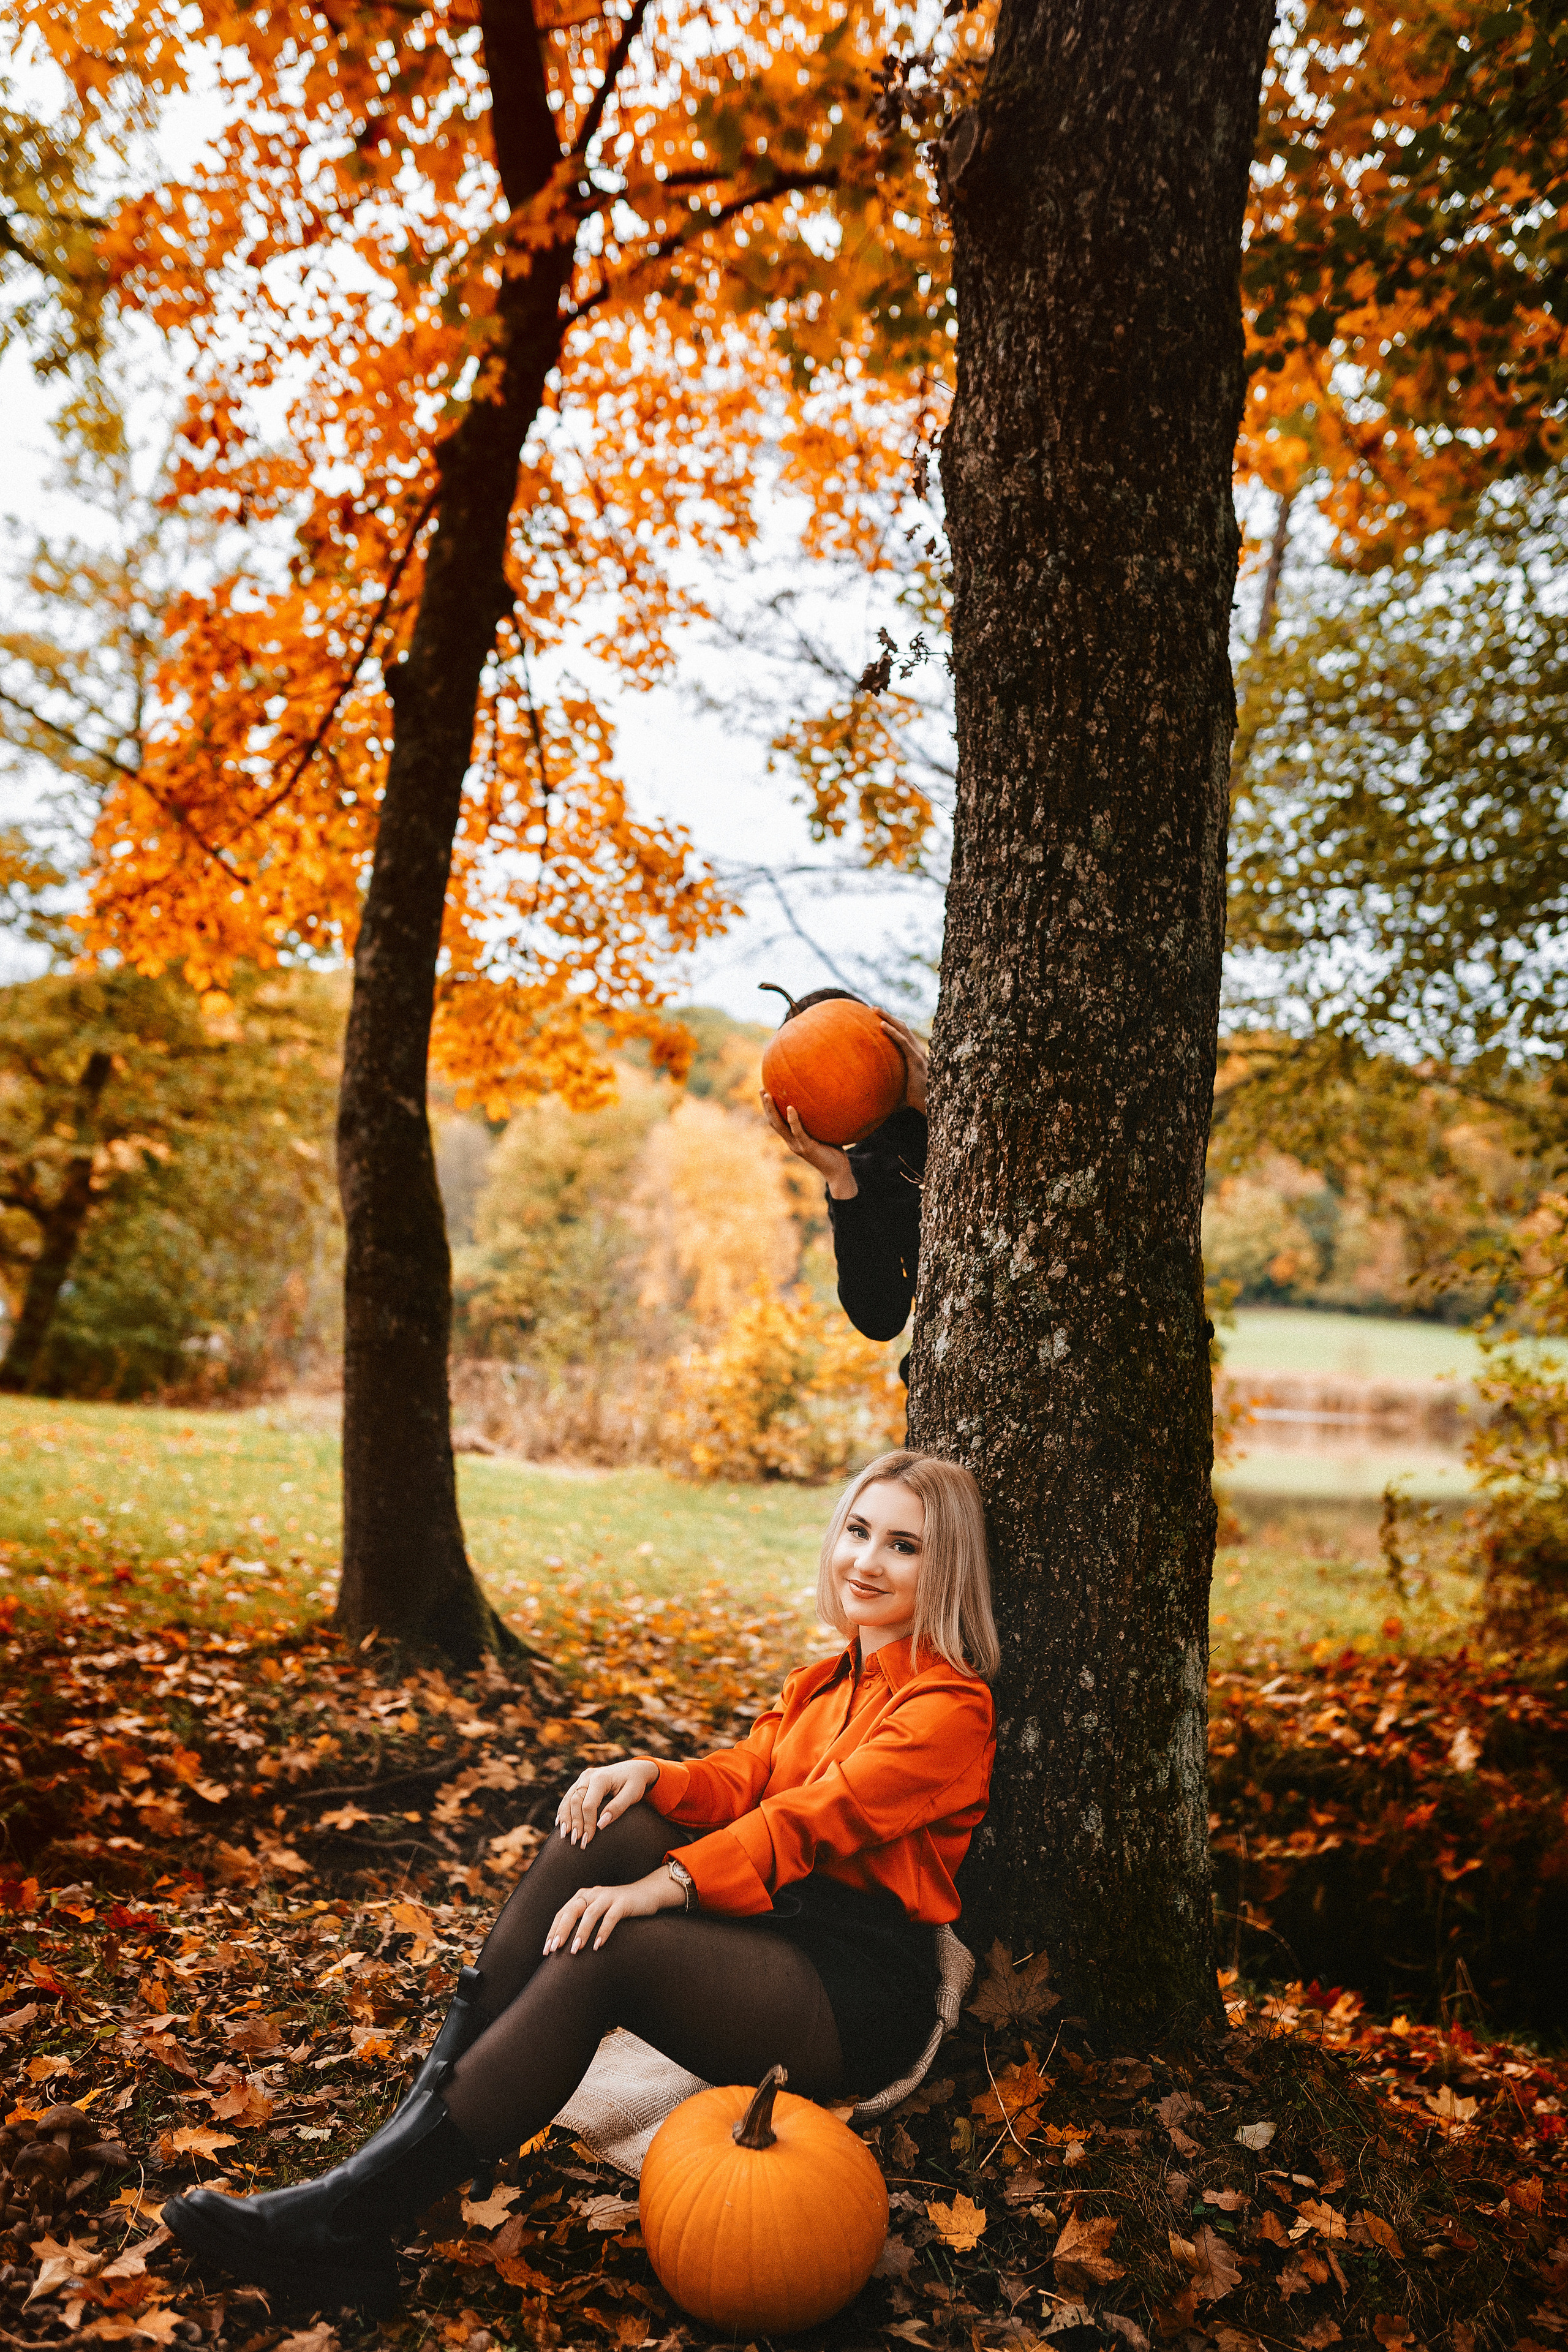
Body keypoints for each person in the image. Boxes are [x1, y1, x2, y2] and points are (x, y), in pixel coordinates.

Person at [162, 1449, 1000, 2313]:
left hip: (852, 1985)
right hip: (778, 1924)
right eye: (859, 1531)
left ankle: (355, 2214)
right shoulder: (824, 1681)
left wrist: (663, 1885)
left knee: (611, 1949)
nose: (867, 1560)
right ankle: (389, 2156)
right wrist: (651, 1773)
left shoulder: (949, 1711)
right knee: (615, 1819)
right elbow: (746, 1780)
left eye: (904, 1546)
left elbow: (808, 1821)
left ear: (946, 1570)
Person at [760, 989, 929, 1368]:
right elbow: (881, 1320)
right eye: (821, 1072)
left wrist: (934, 1107)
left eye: (852, 1051)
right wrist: (839, 1179)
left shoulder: (964, 1104)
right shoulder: (858, 1173)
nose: (845, 1073)